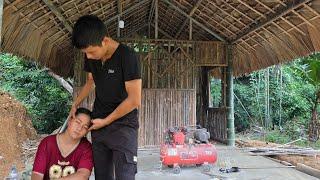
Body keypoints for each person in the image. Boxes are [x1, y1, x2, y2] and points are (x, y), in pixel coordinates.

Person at [71, 15, 142, 180]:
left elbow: (134, 100)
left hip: (124, 126)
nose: (88, 56)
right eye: (85, 53)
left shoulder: (127, 56)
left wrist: (107, 120)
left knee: (125, 176)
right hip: (99, 125)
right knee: (102, 176)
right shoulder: (92, 56)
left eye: (91, 52)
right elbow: (90, 81)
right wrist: (75, 103)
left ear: (105, 40)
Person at [31, 108, 93, 180]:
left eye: (85, 127)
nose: (79, 128)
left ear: (87, 131)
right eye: (78, 122)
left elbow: (83, 175)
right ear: (70, 121)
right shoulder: (47, 143)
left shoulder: (86, 147)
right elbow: (37, 174)